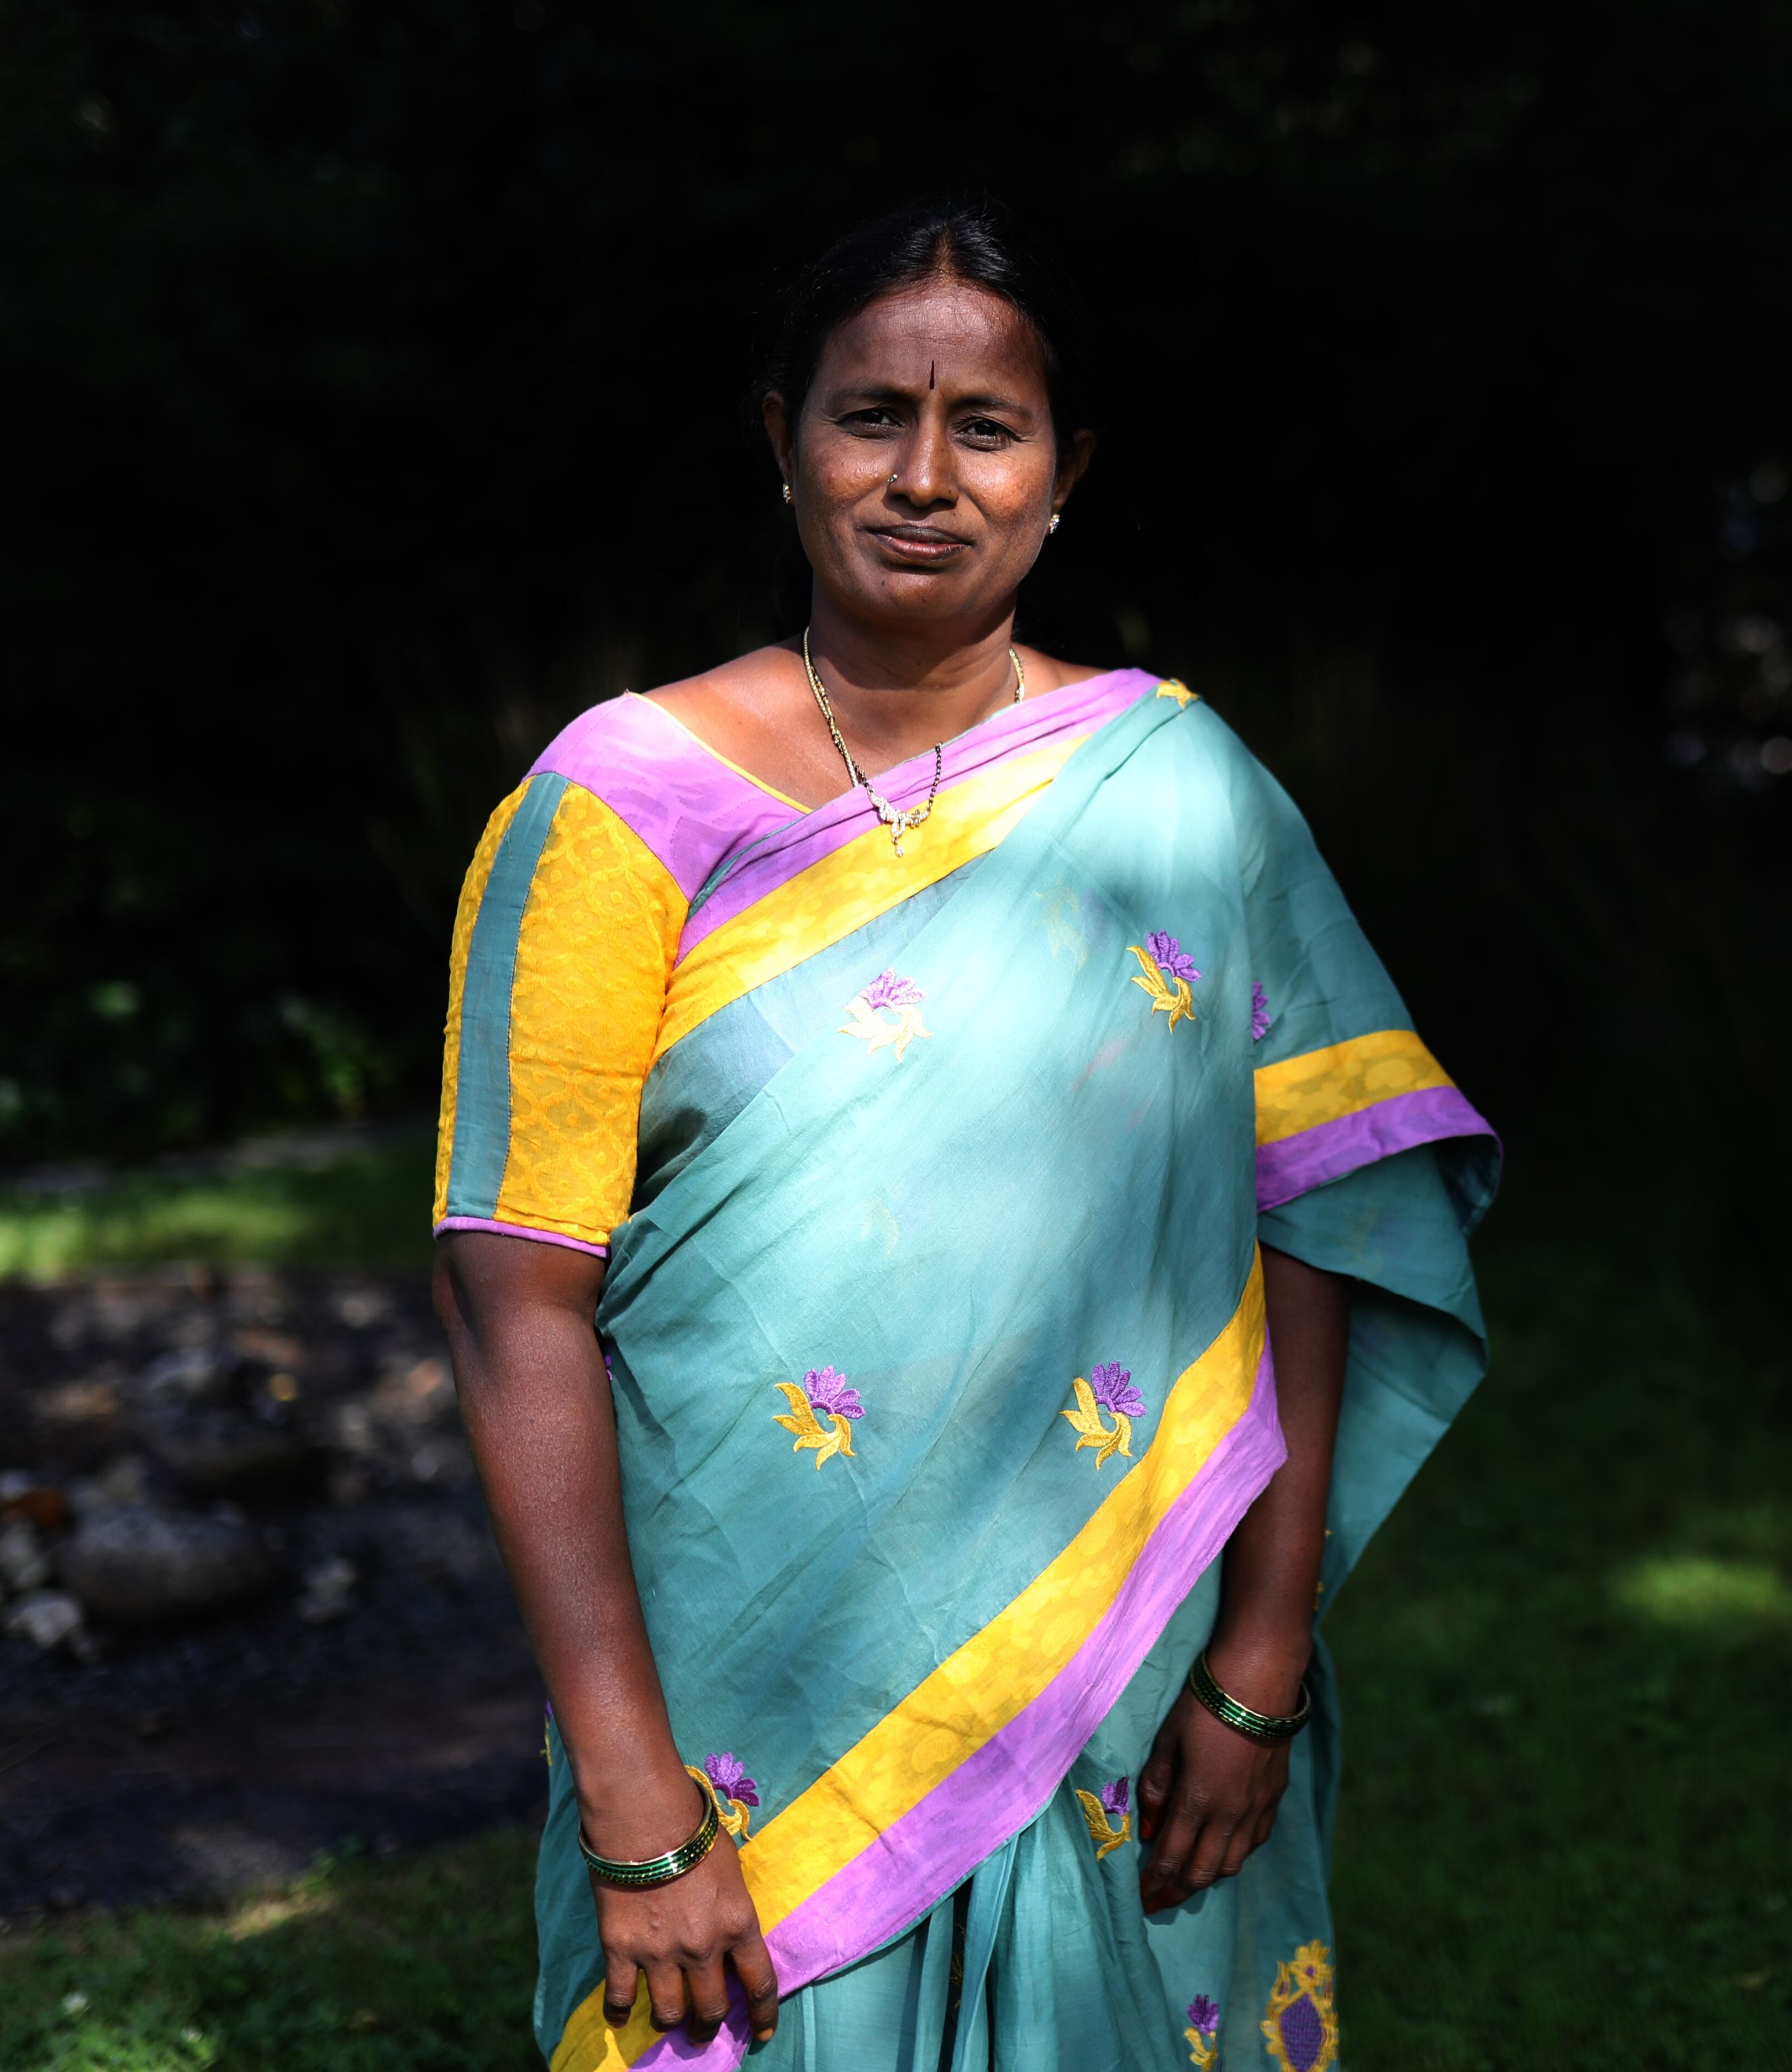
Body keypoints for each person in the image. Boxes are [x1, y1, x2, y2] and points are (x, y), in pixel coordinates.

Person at [431, 194, 1496, 2071]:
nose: (926, 477)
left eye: (985, 428)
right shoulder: (613, 808)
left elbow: (1309, 1202)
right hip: (743, 1710)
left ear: (1064, 472)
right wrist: (633, 1796)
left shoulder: (1179, 787)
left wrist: (1259, 1663)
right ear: (783, 440)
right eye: (870, 417)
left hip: (1130, 1676)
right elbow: (515, 1300)